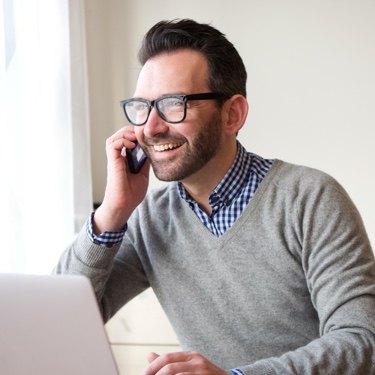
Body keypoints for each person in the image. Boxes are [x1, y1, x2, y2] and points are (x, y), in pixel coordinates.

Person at [54, 19, 375, 374]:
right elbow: (58, 319)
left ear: (232, 114)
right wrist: (111, 214)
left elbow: (362, 340)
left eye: (173, 104)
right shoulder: (150, 220)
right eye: (142, 107)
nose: (150, 128)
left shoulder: (310, 199)